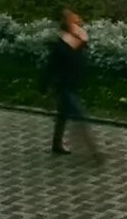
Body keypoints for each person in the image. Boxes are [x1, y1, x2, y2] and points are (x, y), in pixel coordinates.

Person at [43, 9, 100, 160]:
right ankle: (94, 151)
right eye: (73, 19)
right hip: (64, 86)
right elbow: (51, 66)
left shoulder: (79, 38)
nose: (78, 19)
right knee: (80, 116)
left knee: (63, 114)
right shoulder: (62, 44)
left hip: (72, 84)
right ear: (67, 23)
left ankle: (56, 144)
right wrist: (44, 85)